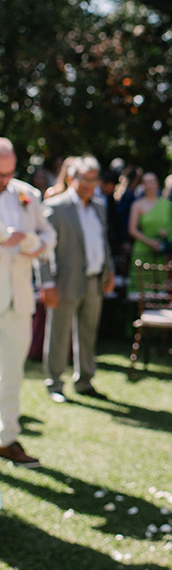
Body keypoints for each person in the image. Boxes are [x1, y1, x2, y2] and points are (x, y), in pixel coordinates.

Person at [0, 138, 56, 467]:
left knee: (12, 373)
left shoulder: (27, 195)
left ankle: (6, 438)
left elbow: (50, 236)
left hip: (18, 299)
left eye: (8, 173)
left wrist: (34, 243)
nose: (4, 180)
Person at [41, 156, 115, 402]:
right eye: (85, 179)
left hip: (94, 281)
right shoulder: (56, 206)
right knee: (59, 333)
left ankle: (84, 381)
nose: (89, 184)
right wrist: (47, 283)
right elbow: (44, 250)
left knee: (88, 333)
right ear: (72, 178)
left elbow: (103, 242)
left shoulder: (99, 206)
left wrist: (109, 271)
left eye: (94, 179)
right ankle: (54, 384)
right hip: (65, 283)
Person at [127, 172, 172, 293]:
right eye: (146, 182)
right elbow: (132, 230)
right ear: (142, 185)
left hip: (160, 251)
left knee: (159, 289)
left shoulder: (166, 205)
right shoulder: (137, 205)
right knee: (141, 289)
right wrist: (150, 242)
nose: (149, 185)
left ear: (157, 184)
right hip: (142, 250)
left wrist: (165, 236)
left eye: (152, 182)